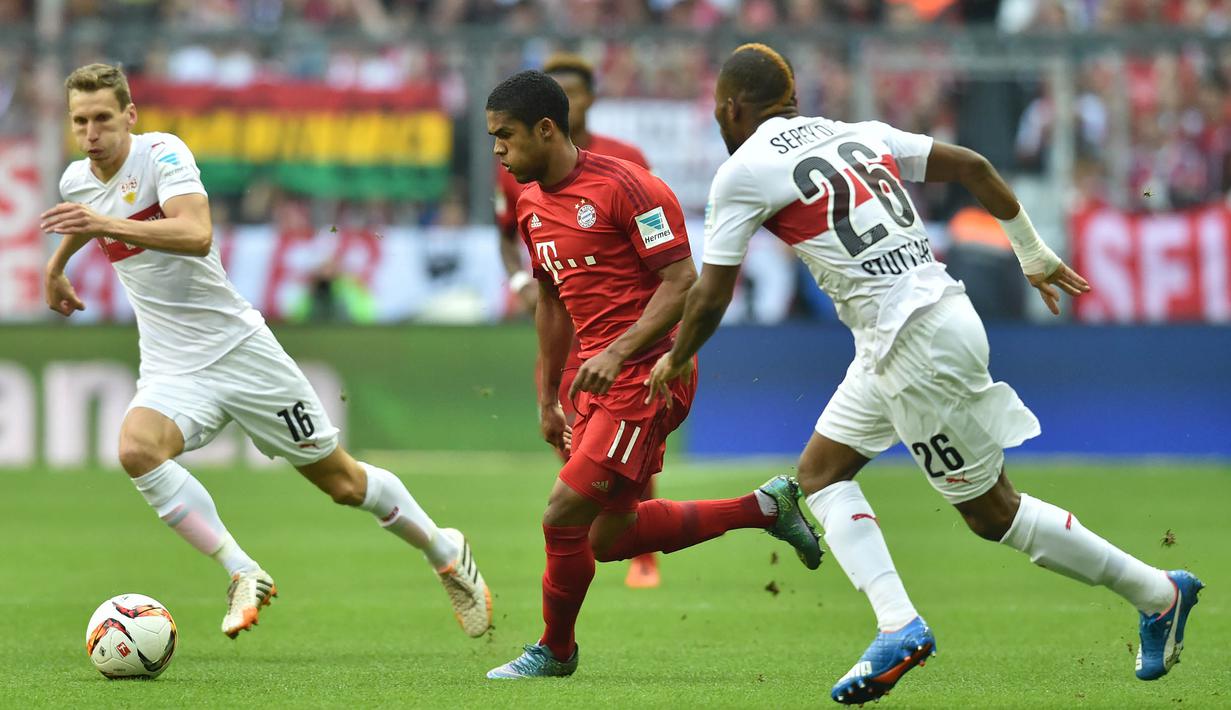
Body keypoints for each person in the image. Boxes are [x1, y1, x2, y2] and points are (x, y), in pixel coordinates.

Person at [647, 44, 1202, 705]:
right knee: (820, 474)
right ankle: (897, 624)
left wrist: (675, 357)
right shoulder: (860, 133)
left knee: (993, 514)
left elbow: (711, 293)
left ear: (730, 107)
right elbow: (974, 166)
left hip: (912, 344)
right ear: (791, 98)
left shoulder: (742, 171)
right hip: (922, 320)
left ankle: (1156, 594)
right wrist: (1032, 253)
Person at [41, 63, 492, 641]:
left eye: (103, 118)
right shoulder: (77, 180)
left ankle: (444, 551)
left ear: (130, 115)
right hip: (172, 364)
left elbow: (195, 234)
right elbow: (86, 215)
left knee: (344, 484)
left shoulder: (161, 154)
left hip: (241, 351)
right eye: (80, 121)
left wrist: (105, 222)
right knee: (137, 450)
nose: (91, 132)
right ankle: (242, 571)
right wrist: (57, 266)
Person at [482, 70, 823, 680]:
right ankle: (765, 508)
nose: (498, 150)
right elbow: (552, 303)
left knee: (562, 514)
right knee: (607, 539)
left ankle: (555, 651)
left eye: (505, 136)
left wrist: (618, 353)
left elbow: (682, 282)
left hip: (652, 374)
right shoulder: (530, 203)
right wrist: (546, 399)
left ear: (545, 129)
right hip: (597, 380)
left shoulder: (629, 186)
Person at [493, 52, 663, 589]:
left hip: (630, 344)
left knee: (587, 490)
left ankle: (639, 555)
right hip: (571, 335)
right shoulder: (522, 179)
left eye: (576, 90)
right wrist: (520, 282)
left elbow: (668, 263)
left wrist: (645, 342)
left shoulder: (626, 166)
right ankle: (611, 534)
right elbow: (514, 245)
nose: (498, 148)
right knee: (575, 463)